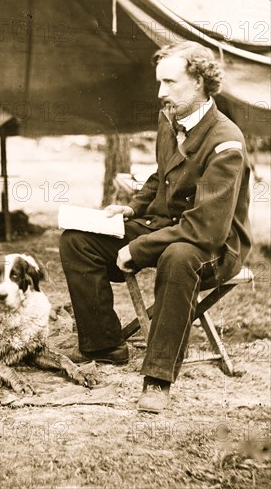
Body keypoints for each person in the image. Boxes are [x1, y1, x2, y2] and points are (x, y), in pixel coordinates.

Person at [59, 41, 252, 413]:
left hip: (215, 248)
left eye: (170, 82)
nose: (161, 93)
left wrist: (138, 248)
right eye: (159, 83)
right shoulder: (170, 118)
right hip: (167, 227)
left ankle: (158, 379)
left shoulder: (226, 142)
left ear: (198, 81)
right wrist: (132, 210)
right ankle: (104, 344)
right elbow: (160, 176)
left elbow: (206, 231)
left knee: (179, 257)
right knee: (78, 240)